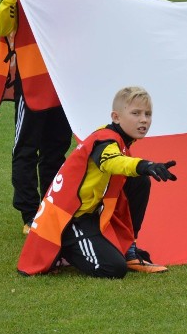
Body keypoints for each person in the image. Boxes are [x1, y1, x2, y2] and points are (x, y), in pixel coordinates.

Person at [0, 0, 107, 235]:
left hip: (63, 82)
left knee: (56, 150)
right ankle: (29, 214)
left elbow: (81, 23)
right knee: (26, 150)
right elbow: (3, 28)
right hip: (31, 80)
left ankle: (49, 207)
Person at [18, 86, 178, 278]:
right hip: (69, 220)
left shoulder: (117, 139)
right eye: (136, 113)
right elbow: (110, 161)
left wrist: (141, 169)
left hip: (89, 214)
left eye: (147, 114)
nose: (143, 120)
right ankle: (63, 248)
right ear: (116, 117)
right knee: (113, 269)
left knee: (139, 181)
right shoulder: (105, 139)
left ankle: (129, 248)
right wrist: (144, 165)